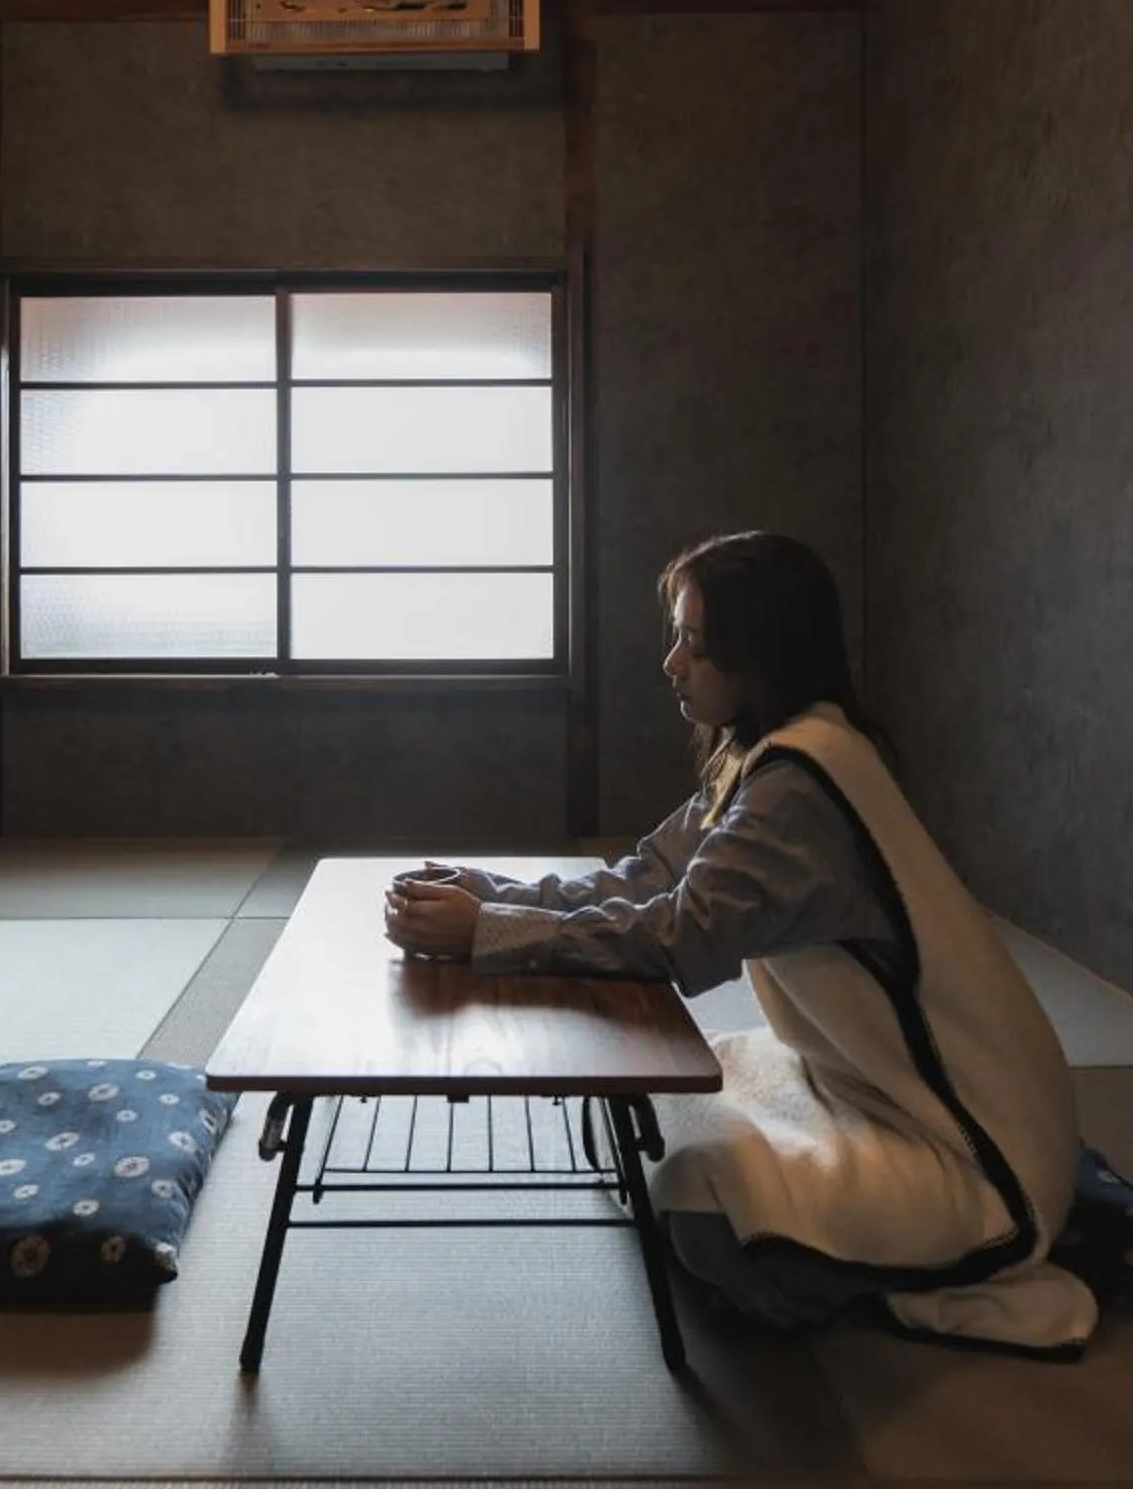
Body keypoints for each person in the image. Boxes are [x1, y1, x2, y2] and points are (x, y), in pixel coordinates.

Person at [383, 530, 1095, 1352]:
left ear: (758, 650)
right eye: (677, 636)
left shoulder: (800, 787)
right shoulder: (771, 754)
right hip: (861, 1082)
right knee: (641, 1111)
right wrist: (489, 894)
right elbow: (646, 877)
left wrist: (488, 934)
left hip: (968, 1145)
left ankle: (873, 1273)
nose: (672, 663)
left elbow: (680, 938)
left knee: (705, 1220)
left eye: (693, 640)